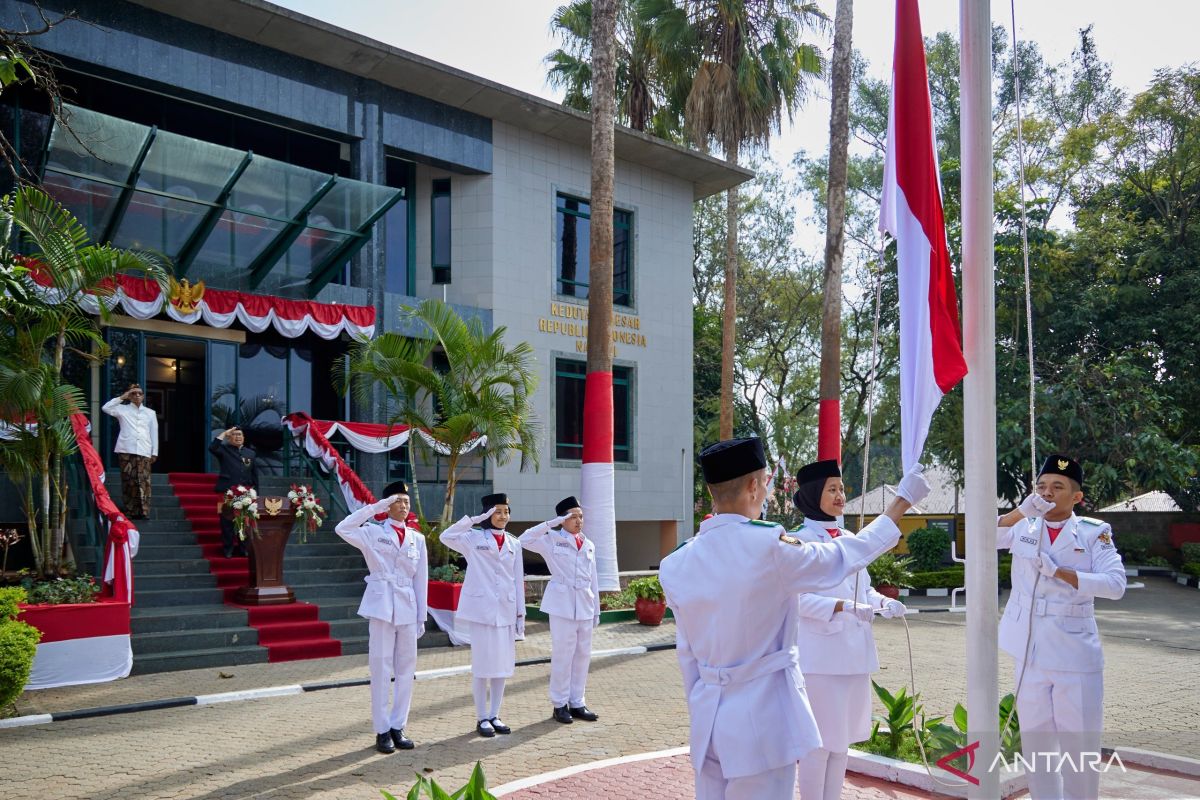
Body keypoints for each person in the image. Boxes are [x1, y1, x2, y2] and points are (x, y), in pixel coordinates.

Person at [659, 437, 930, 800]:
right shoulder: (770, 546)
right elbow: (846, 554)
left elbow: (687, 654)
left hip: (708, 716)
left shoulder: (675, 563)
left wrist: (702, 705)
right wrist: (901, 503)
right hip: (764, 719)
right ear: (754, 486)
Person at [996, 455, 1126, 800]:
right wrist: (1019, 512)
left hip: (1074, 653)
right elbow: (981, 539)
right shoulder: (1023, 526)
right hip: (1029, 650)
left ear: (1076, 497)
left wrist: (1062, 573)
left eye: (1058, 487)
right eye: (1041, 486)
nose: (1048, 493)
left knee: (1078, 746)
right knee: (1037, 746)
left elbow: (1115, 584)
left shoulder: (1093, 532)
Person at [789, 459, 908, 800]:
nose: (840, 495)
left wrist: (883, 603)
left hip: (854, 654)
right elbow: (795, 599)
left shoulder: (850, 538)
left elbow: (862, 589)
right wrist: (841, 608)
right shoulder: (798, 541)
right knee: (819, 744)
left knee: (842, 743)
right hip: (821, 659)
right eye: (832, 489)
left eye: (841, 488)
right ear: (813, 494)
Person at [334, 481, 429, 754]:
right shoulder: (373, 532)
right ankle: (382, 729)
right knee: (380, 666)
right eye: (397, 501)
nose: (403, 506)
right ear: (387, 505)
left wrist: (422, 616)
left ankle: (399, 725)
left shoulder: (417, 539)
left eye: (406, 502)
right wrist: (374, 508)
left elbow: (421, 580)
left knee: (406, 668)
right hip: (381, 604)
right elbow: (342, 528)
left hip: (408, 607)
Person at [440, 493, 525, 738]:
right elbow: (446, 536)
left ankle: (495, 714)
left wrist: (521, 613)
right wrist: (474, 519)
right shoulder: (472, 538)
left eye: (506, 511)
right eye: (497, 511)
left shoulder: (513, 543)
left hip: (506, 611)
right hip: (482, 612)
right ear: (488, 513)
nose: (503, 516)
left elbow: (517, 580)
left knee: (502, 667)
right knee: (482, 667)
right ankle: (481, 717)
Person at [518, 495, 601, 725]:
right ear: (562, 519)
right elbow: (524, 540)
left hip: (584, 603)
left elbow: (593, 578)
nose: (578, 521)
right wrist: (550, 524)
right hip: (562, 604)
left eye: (581, 516)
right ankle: (559, 704)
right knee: (563, 656)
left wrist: (596, 609)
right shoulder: (551, 539)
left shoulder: (589, 544)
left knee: (583, 655)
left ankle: (577, 702)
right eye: (573, 516)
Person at [101, 383, 159, 520]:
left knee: (144, 481)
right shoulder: (122, 409)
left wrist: (154, 452)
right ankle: (131, 510)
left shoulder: (150, 413)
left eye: (140, 393)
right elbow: (105, 408)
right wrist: (122, 397)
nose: (137, 395)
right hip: (126, 449)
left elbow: (154, 432)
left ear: (143, 396)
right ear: (129, 395)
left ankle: (144, 511)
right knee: (129, 480)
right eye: (134, 393)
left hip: (144, 450)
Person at [209, 426, 259, 558]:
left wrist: (256, 493)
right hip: (226, 492)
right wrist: (225, 433)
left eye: (240, 435)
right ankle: (228, 549)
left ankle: (244, 549)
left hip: (246, 493)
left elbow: (254, 475)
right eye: (235, 435)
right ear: (229, 437)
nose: (238, 437)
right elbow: (212, 448)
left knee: (245, 522)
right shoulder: (224, 450)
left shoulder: (251, 453)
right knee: (226, 522)